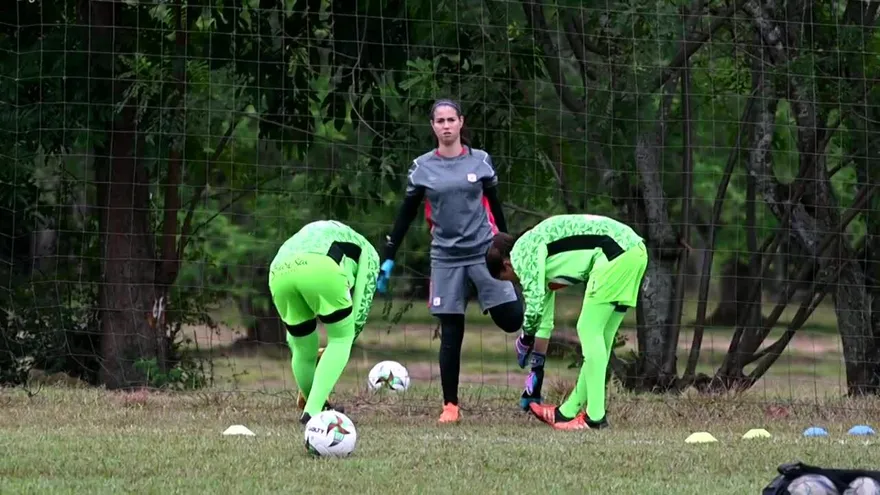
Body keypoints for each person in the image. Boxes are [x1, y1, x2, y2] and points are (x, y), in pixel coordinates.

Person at [376, 98, 524, 424]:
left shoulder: (480, 162)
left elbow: (497, 211)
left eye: (450, 120)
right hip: (445, 257)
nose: (445, 126)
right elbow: (405, 215)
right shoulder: (422, 168)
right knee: (451, 330)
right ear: (433, 126)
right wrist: (388, 256)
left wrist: (512, 249)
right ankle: (451, 406)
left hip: (485, 252)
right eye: (439, 121)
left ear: (461, 123)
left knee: (512, 320)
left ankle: (527, 339)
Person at [485, 214, 648, 430]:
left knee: (587, 329)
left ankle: (595, 418)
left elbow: (533, 307)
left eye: (506, 279)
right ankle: (567, 412)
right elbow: (544, 316)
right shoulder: (538, 257)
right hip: (634, 251)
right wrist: (537, 366)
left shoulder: (522, 253)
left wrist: (524, 340)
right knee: (602, 339)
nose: (514, 283)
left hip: (615, 253)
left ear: (507, 265)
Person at [268, 219, 379, 424]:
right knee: (341, 338)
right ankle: (312, 412)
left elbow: (293, 340)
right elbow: (361, 306)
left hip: (278, 270)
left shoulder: (324, 232)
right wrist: (345, 339)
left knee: (302, 347)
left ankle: (317, 403)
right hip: (321, 267)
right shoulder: (369, 251)